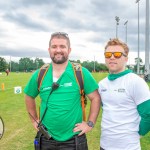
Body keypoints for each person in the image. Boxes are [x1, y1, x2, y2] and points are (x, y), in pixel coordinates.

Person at [24, 32, 100, 150]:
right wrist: (34, 119)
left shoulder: (80, 72)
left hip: (74, 140)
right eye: (54, 47)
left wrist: (90, 123)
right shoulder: (40, 74)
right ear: (49, 50)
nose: (58, 50)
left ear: (69, 50)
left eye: (62, 46)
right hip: (46, 139)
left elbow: (95, 98)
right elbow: (29, 96)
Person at [98, 38, 150, 150]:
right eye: (108, 54)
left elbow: (148, 114)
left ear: (126, 58)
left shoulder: (136, 82)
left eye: (117, 54)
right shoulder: (102, 84)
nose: (112, 57)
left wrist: (138, 134)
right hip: (104, 145)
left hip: (128, 147)